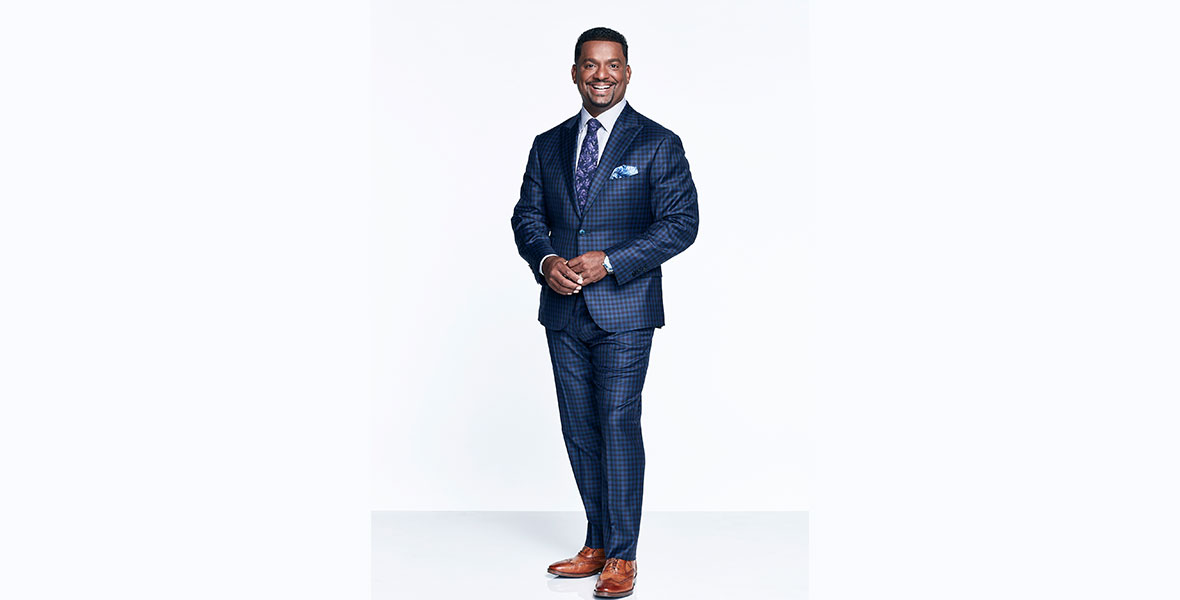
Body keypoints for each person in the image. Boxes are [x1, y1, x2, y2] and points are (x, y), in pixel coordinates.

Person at [510, 26, 699, 598]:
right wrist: (545, 261)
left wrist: (611, 262)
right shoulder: (548, 143)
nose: (601, 76)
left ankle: (622, 554)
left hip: (625, 310)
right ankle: (595, 540)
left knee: (616, 423)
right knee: (579, 427)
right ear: (574, 72)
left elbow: (681, 224)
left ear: (628, 72)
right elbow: (526, 217)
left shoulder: (657, 143)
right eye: (590, 65)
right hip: (562, 309)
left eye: (612, 65)